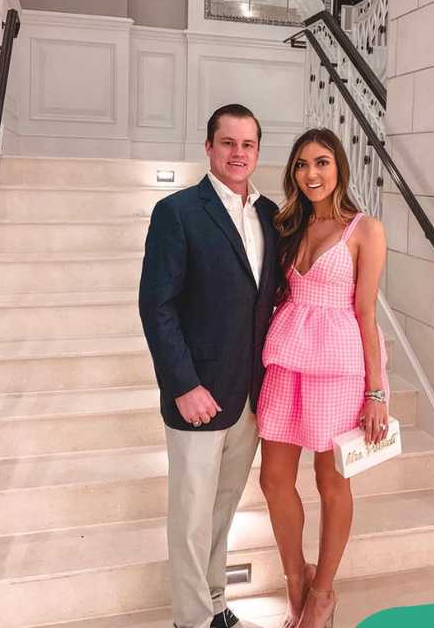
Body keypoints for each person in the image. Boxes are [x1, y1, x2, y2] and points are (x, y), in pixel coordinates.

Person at [138, 103, 279, 628]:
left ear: (257, 151)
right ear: (209, 147)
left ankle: (216, 602)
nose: (238, 153)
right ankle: (192, 620)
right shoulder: (178, 212)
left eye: (247, 144)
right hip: (198, 394)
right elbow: (157, 306)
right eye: (228, 143)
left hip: (249, 394)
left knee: (223, 510)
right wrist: (183, 384)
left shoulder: (271, 215)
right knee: (192, 515)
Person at [256, 127, 388, 628]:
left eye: (321, 163)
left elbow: (366, 312)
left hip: (338, 366)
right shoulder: (287, 225)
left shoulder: (365, 230)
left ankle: (324, 594)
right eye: (301, 165)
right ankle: (297, 579)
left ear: (339, 168)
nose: (311, 174)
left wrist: (375, 392)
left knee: (330, 481)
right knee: (274, 479)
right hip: (287, 360)